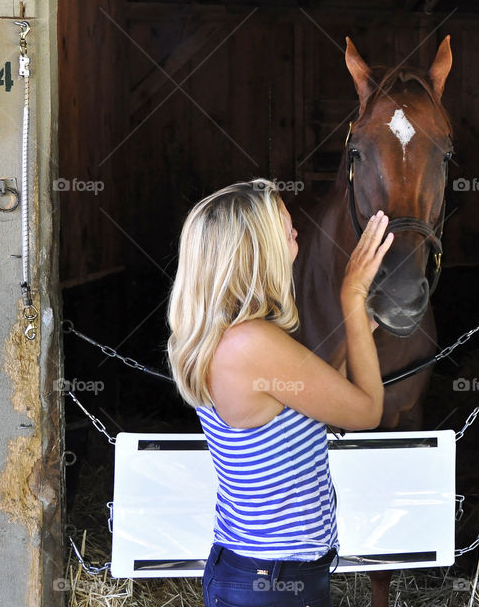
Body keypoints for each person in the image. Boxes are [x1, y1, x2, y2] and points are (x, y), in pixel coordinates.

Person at [166, 178, 393, 607]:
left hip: (252, 569)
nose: (295, 230)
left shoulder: (226, 336)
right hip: (273, 580)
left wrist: (359, 326)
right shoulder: (252, 344)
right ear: (254, 247)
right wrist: (352, 294)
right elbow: (365, 412)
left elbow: (322, 402)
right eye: (284, 225)